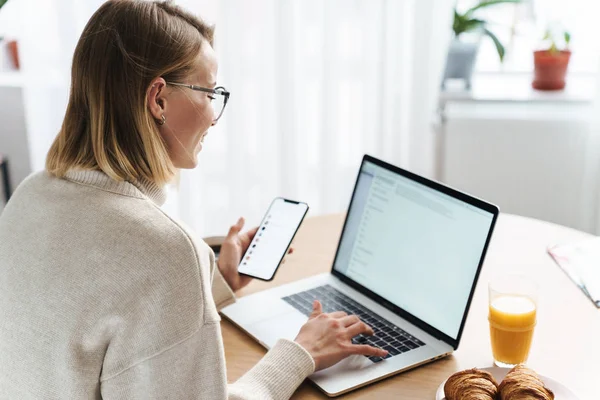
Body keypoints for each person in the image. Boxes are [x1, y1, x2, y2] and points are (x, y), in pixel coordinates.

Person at [0, 1, 387, 399]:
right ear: (158, 100)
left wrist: (214, 283)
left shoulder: (29, 196)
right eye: (210, 92)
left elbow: (94, 318)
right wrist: (301, 352)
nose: (215, 116)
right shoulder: (163, 250)